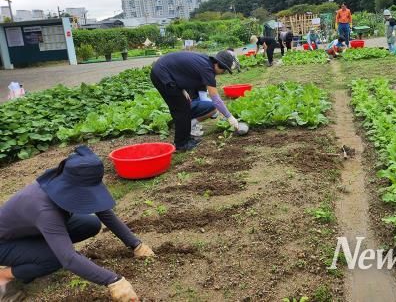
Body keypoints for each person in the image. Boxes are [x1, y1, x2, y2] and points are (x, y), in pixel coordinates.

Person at [0, 146, 154, 301]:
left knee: (90, 224)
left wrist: (136, 244)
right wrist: (113, 281)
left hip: (32, 230)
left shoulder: (66, 180)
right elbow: (68, 259)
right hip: (4, 244)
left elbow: (103, 211)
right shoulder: (44, 210)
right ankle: (3, 275)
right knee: (56, 258)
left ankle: (39, 251)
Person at [150, 50, 240, 151]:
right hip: (161, 74)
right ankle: (181, 144)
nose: (223, 72)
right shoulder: (207, 70)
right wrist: (230, 117)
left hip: (165, 72)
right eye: (224, 70)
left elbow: (182, 70)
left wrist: (181, 88)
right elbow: (216, 99)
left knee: (184, 106)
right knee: (181, 109)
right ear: (219, 65)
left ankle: (186, 138)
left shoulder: (206, 62)